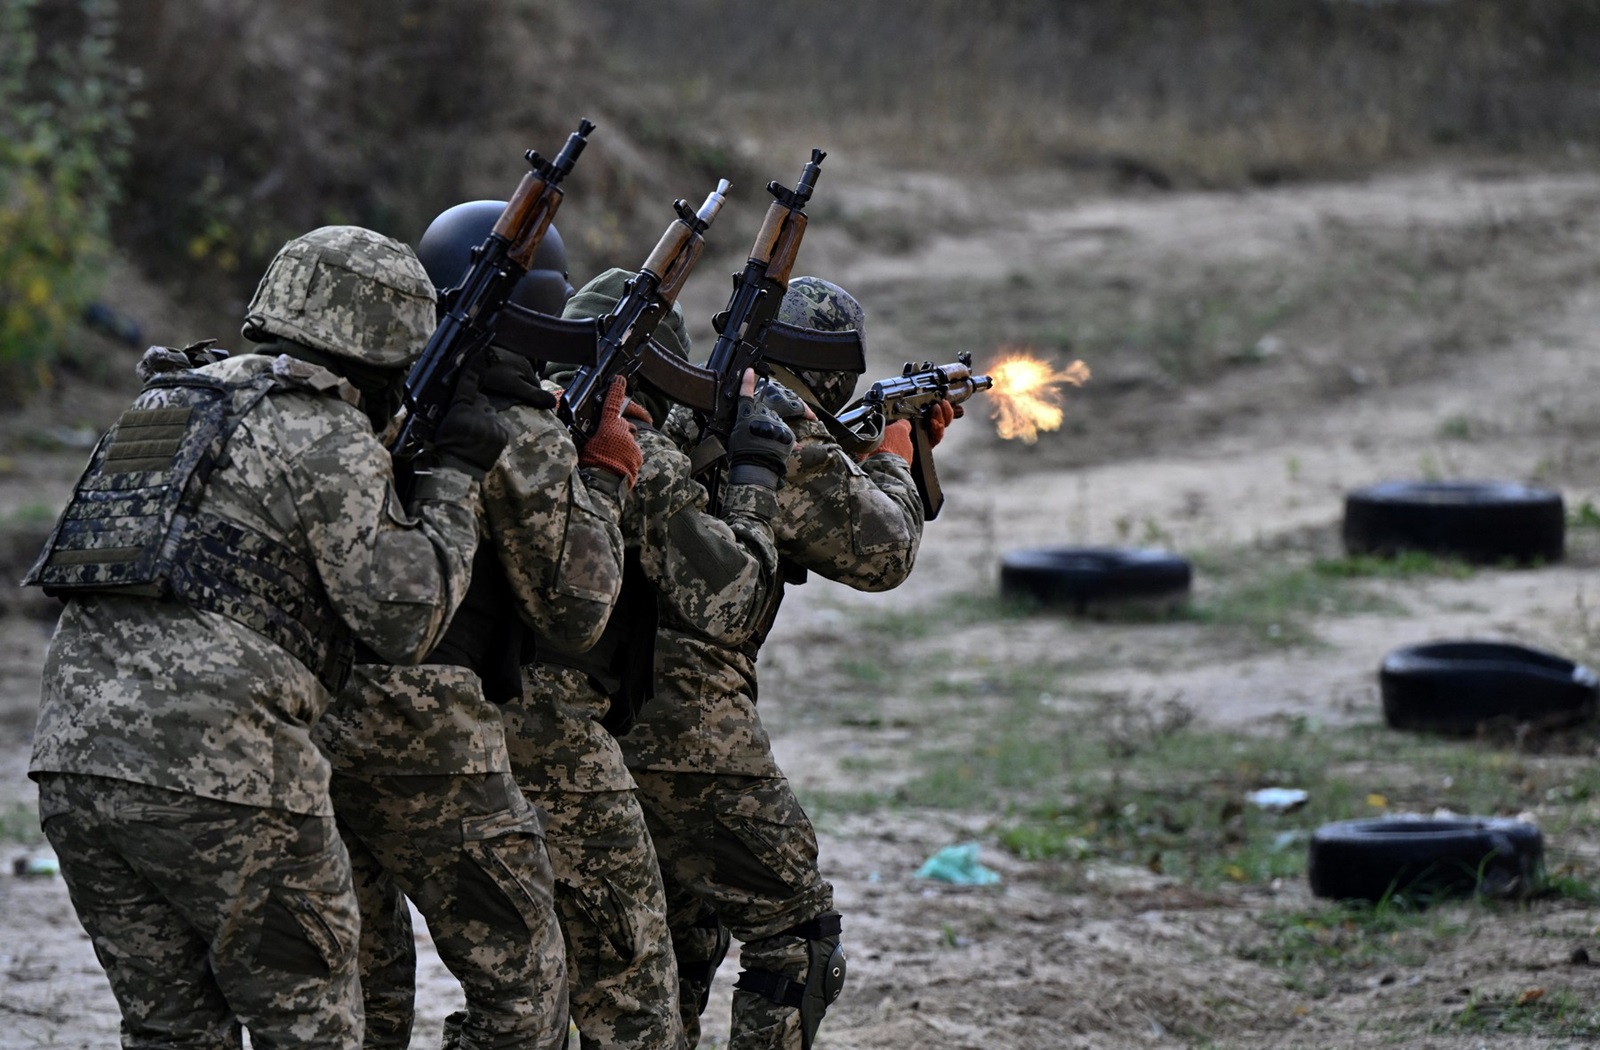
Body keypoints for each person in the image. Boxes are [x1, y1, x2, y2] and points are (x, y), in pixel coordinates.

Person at [24, 225, 505, 1049]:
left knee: (170, 1033)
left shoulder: (165, 404)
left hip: (76, 766)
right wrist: (455, 483)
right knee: (308, 1027)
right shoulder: (327, 434)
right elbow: (404, 618)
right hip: (227, 778)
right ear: (388, 348)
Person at [312, 206, 639, 1050]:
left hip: (313, 722)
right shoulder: (518, 429)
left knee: (358, 995)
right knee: (524, 989)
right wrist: (603, 478)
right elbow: (576, 611)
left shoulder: (344, 399)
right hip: (434, 739)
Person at [624, 277, 958, 1050]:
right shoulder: (780, 421)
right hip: (691, 720)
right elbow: (882, 551)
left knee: (678, 935)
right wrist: (894, 457)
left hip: (613, 704)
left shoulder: (694, 399)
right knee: (798, 938)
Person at [504, 266, 798, 1050]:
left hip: (469, 737)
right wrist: (753, 478)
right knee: (635, 1002)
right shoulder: (637, 445)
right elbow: (731, 599)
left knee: (519, 992)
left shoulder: (513, 419)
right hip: (562, 745)